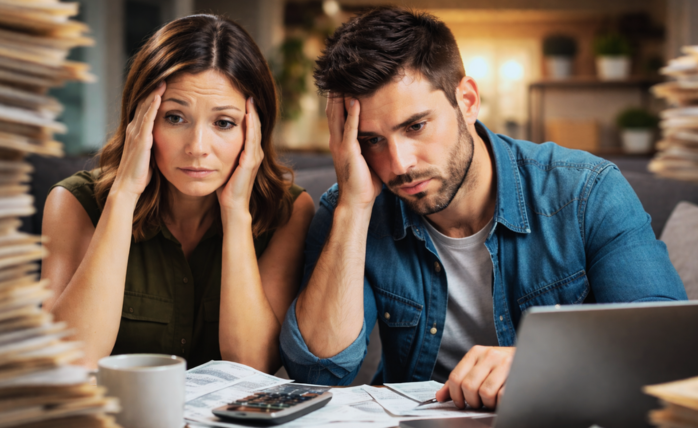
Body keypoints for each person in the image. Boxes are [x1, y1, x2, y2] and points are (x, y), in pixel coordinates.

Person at [279, 7, 687, 408]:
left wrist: (539, 365)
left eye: (415, 126)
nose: (398, 164)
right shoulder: (352, 207)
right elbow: (319, 373)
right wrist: (352, 209)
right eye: (371, 140)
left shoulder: (587, 191)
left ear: (468, 101)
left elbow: (669, 352)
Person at [41, 15, 315, 371]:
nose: (198, 147)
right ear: (140, 120)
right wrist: (123, 196)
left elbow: (252, 366)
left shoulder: (289, 212)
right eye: (175, 117)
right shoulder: (73, 203)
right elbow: (69, 363)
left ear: (255, 130)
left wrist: (235, 213)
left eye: (224, 123)